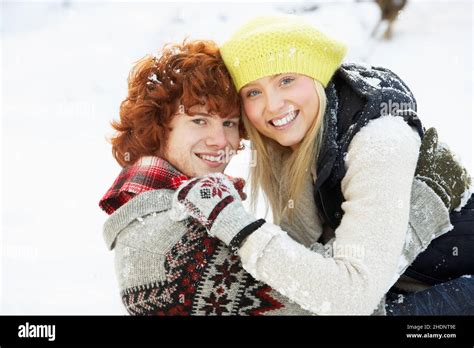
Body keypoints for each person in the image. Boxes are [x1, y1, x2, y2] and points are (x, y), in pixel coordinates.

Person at [169, 15, 474, 315]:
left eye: (286, 80)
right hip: (402, 286)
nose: (273, 105)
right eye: (254, 92)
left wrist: (239, 228)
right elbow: (303, 259)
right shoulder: (294, 144)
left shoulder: (379, 139)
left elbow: (351, 298)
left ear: (318, 76)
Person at [100, 39, 323, 315]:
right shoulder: (169, 242)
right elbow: (328, 302)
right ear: (158, 127)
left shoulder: (185, 209)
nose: (221, 141)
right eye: (199, 120)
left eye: (229, 123)